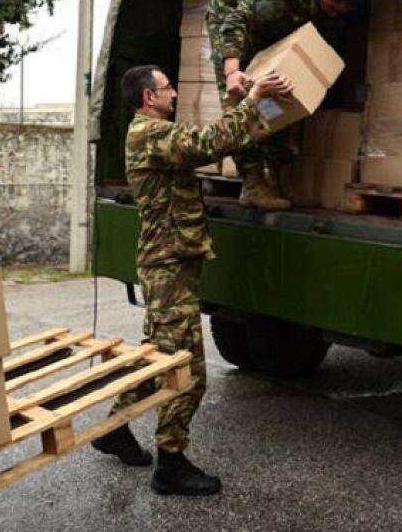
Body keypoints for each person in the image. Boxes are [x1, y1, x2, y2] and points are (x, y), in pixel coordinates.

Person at [91, 64, 293, 496]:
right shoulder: (149, 134)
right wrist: (254, 98)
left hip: (170, 264)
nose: (176, 94)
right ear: (149, 97)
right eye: (168, 89)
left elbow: (220, 138)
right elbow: (209, 143)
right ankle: (171, 464)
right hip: (168, 268)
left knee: (157, 357)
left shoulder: (155, 134)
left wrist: (251, 107)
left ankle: (114, 428)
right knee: (188, 372)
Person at [207, 0, 361, 209]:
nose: (333, 15)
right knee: (240, 97)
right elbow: (237, 20)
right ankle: (253, 184)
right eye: (332, 9)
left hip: (271, 24)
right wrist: (233, 71)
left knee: (282, 93)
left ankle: (278, 177)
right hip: (232, 16)